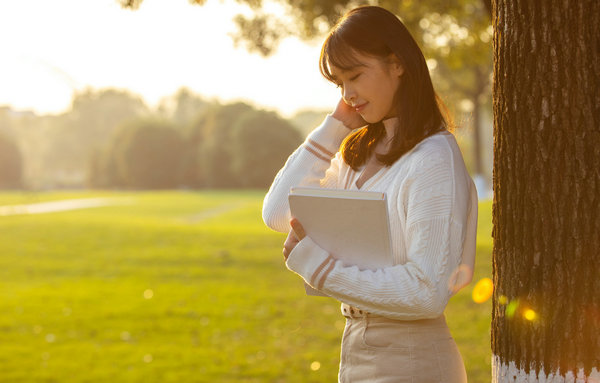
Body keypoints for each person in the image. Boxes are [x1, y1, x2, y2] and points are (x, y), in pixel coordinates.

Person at [262, 5, 478, 383]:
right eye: (339, 84)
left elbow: (427, 292)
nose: (348, 93)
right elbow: (278, 213)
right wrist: (335, 127)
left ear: (397, 64)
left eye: (355, 76)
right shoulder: (356, 156)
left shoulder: (433, 159)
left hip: (413, 360)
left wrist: (319, 268)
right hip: (358, 348)